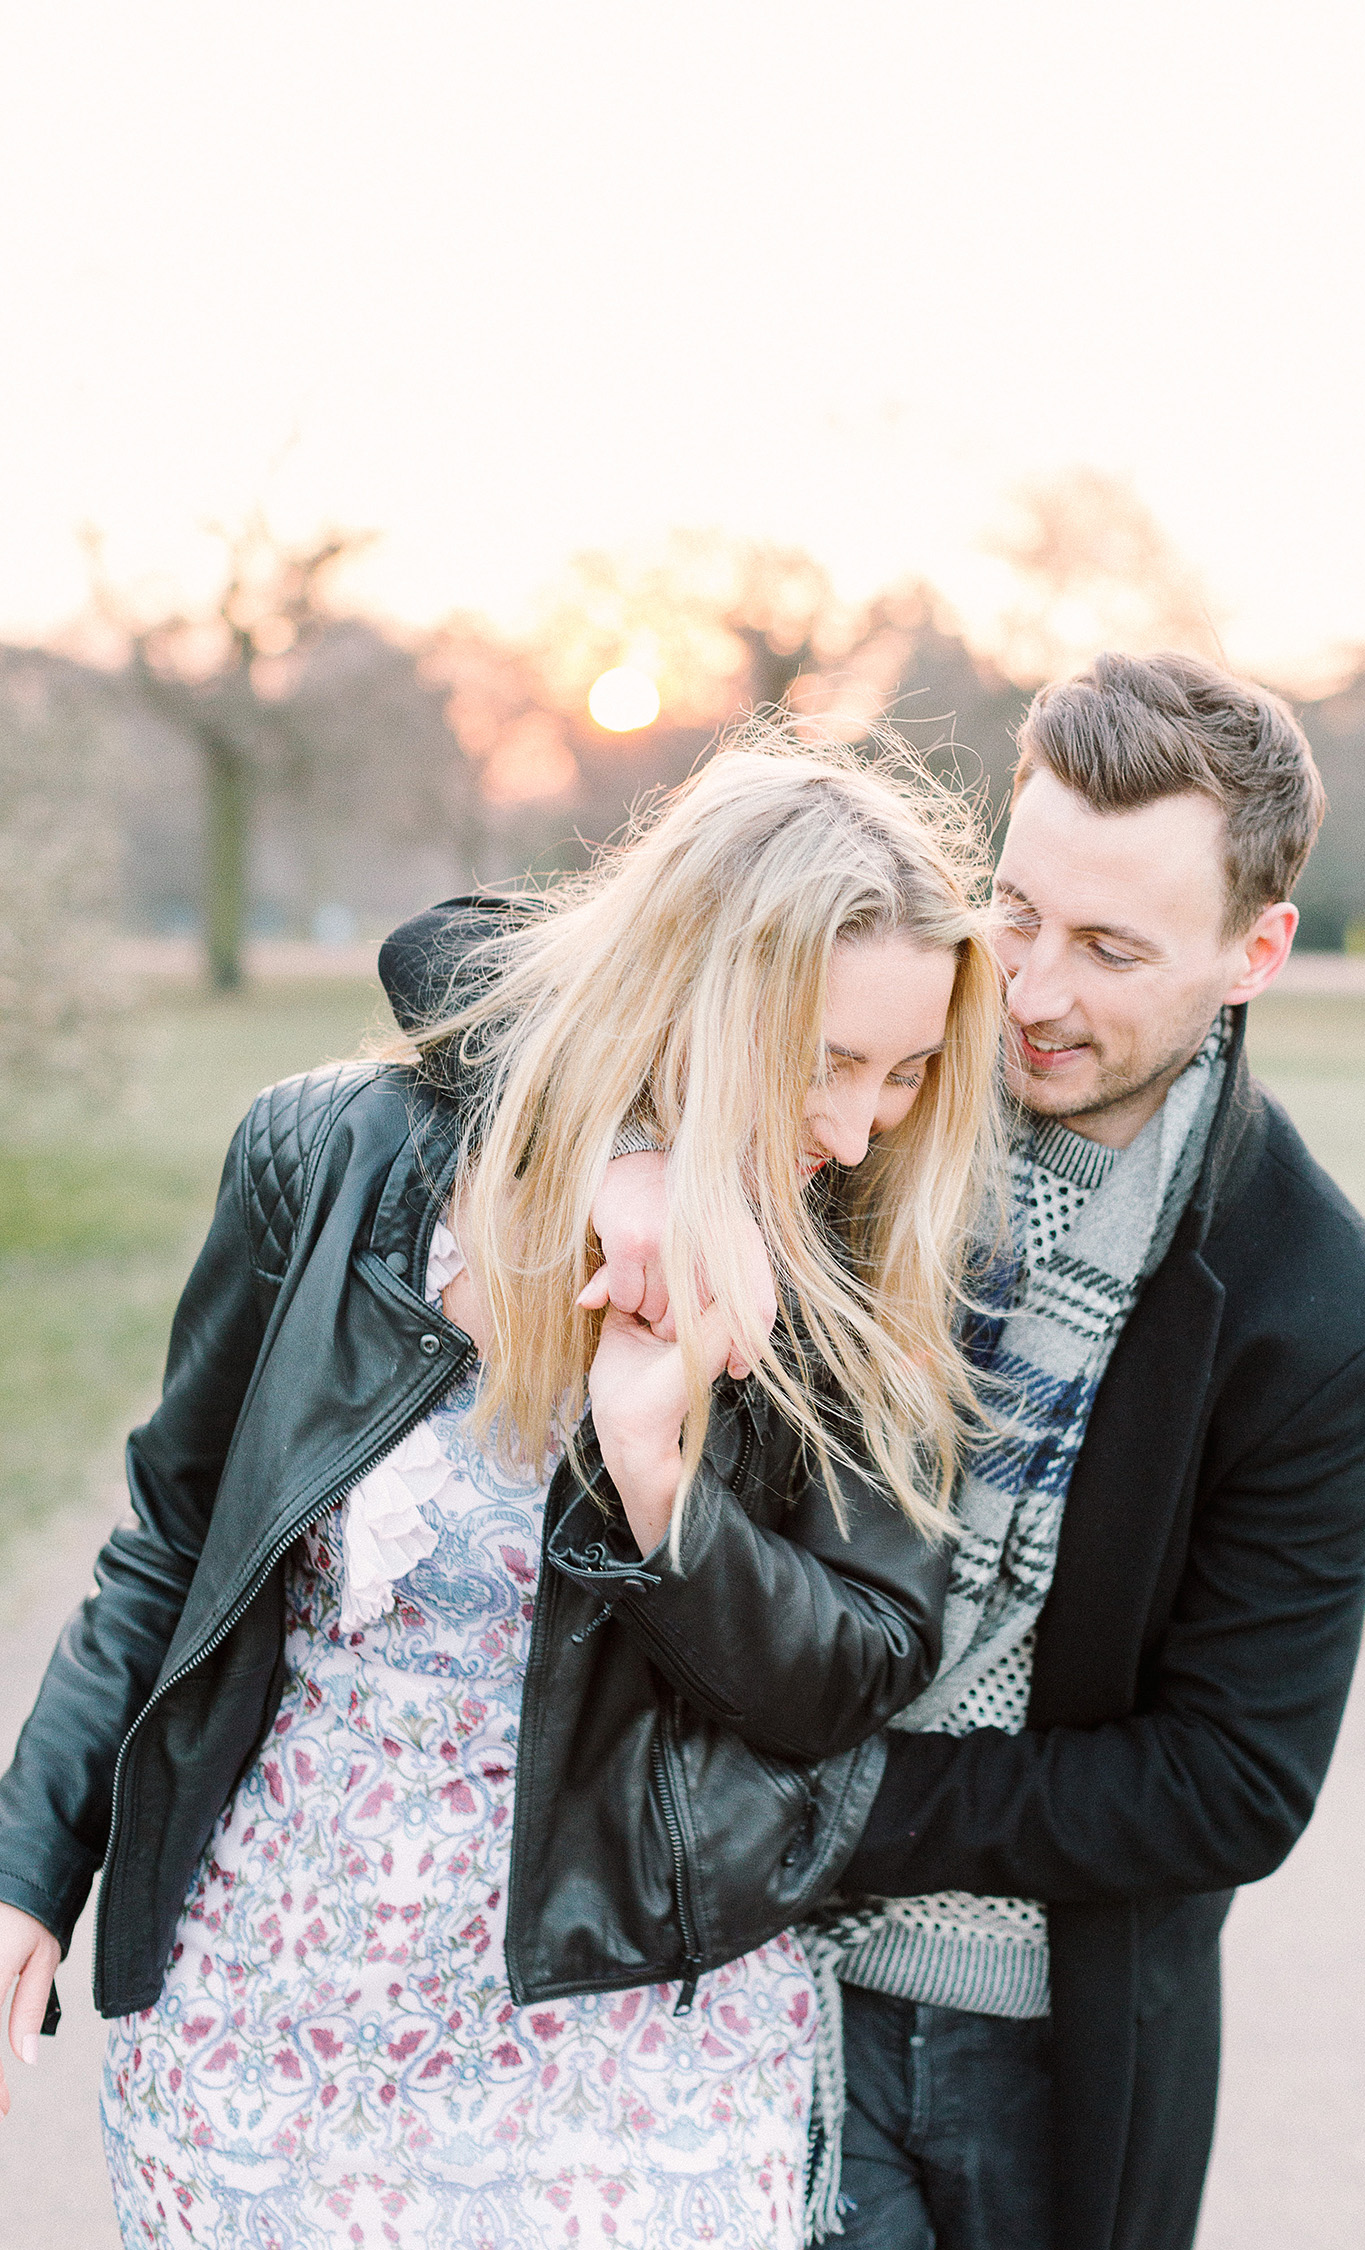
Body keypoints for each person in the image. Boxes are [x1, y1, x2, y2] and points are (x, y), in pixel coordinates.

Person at [0, 737, 1011, 2248]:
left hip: (628, 2033)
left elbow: (847, 1676)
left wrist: (659, 1482)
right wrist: (31, 1860)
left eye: (908, 1069)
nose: (863, 1126)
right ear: (700, 1002)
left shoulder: (864, 1259)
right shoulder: (329, 1156)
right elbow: (172, 1543)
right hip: (275, 1994)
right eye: (828, 1063)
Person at [564, 655, 1365, 2250]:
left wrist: (834, 1804)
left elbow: (1229, 1784)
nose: (1029, 991)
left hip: (1031, 2051)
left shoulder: (1322, 1318)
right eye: (1016, 911)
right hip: (724, 1973)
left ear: (1258, 950)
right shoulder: (862, 1068)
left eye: (1110, 949)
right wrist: (634, 1153)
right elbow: (476, 962)